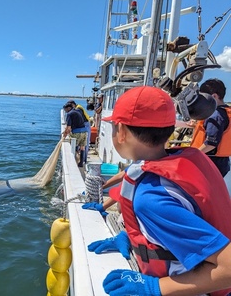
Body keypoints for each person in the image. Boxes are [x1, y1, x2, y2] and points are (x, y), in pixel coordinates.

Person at [87, 86, 231, 295]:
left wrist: (153, 287)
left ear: (121, 133)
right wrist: (133, 238)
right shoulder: (188, 158)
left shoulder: (151, 198)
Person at [190, 79, 231, 177]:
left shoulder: (215, 115)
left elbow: (211, 143)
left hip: (211, 162)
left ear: (214, 96)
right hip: (221, 162)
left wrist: (191, 156)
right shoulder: (224, 112)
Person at [62, 102, 88, 167]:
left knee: (74, 147)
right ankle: (81, 163)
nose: (65, 111)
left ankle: (74, 161)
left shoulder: (69, 114)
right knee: (82, 147)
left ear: (68, 108)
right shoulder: (78, 111)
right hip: (84, 131)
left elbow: (68, 128)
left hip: (77, 132)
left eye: (65, 110)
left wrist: (64, 136)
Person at [67, 100, 91, 164]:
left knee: (82, 145)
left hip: (85, 125)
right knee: (83, 145)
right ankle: (82, 161)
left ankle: (81, 160)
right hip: (84, 127)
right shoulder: (77, 108)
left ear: (73, 105)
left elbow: (77, 120)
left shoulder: (78, 109)